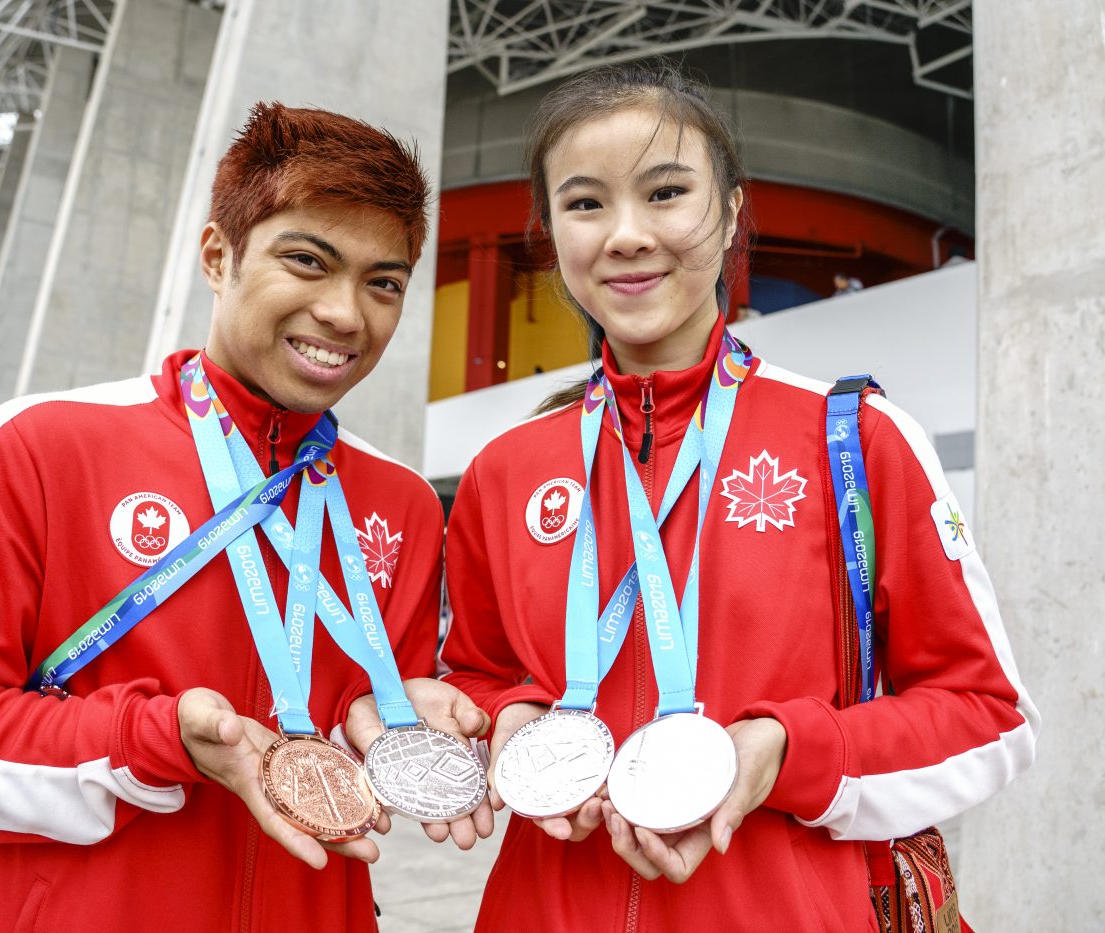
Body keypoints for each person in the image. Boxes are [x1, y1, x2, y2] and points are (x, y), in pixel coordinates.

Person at [0, 103, 488, 933]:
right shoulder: (42, 445)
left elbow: (360, 716)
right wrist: (151, 738)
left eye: (382, 282)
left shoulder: (398, 500)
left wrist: (403, 719)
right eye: (307, 261)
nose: (346, 314)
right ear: (219, 256)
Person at [441, 63, 1038, 931]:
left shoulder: (856, 440)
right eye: (585, 204)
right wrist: (508, 718)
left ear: (729, 212)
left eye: (666, 192)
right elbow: (478, 674)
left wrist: (788, 752)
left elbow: (988, 714)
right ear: (552, 235)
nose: (627, 235)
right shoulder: (506, 469)